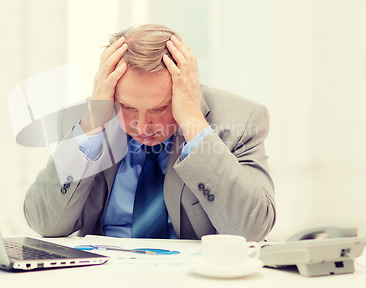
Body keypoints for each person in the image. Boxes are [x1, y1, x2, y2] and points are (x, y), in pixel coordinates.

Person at [24, 24, 275, 241]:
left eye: (160, 108)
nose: (143, 127)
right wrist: (92, 125)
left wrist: (193, 123)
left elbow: (251, 230)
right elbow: (44, 223)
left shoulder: (242, 121)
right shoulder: (92, 118)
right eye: (129, 107)